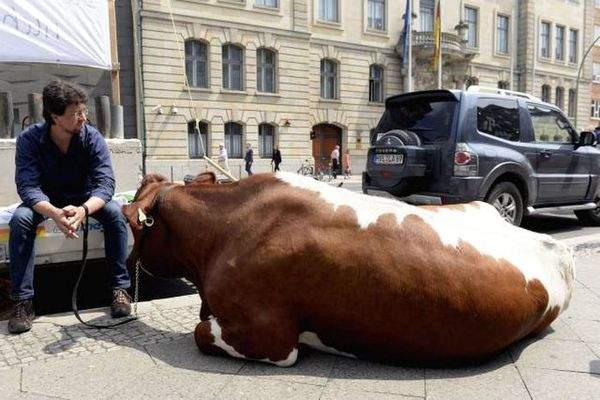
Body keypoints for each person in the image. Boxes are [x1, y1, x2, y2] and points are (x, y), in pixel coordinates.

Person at [7, 81, 132, 334]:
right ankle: (23, 301)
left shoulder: (91, 137)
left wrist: (84, 210)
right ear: (55, 117)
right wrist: (53, 212)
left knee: (115, 214)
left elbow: (105, 184)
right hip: (45, 199)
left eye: (83, 111)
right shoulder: (29, 140)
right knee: (20, 219)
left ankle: (120, 289)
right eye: (76, 114)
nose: (83, 118)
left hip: (85, 197)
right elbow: (27, 186)